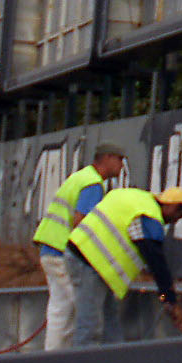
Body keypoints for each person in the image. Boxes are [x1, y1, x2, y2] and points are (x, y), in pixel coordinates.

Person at [67, 185, 182, 346]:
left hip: (90, 260)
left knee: (110, 325)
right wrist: (170, 300)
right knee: (90, 326)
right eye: (177, 215)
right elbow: (156, 261)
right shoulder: (149, 216)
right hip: (89, 262)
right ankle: (83, 361)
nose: (174, 221)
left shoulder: (137, 199)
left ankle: (116, 358)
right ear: (173, 206)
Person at [31, 141, 126, 349]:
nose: (122, 164)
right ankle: (80, 360)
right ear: (107, 158)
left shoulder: (80, 176)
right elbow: (81, 221)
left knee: (60, 311)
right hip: (63, 253)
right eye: (119, 159)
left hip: (50, 249)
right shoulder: (93, 184)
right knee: (85, 310)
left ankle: (52, 359)